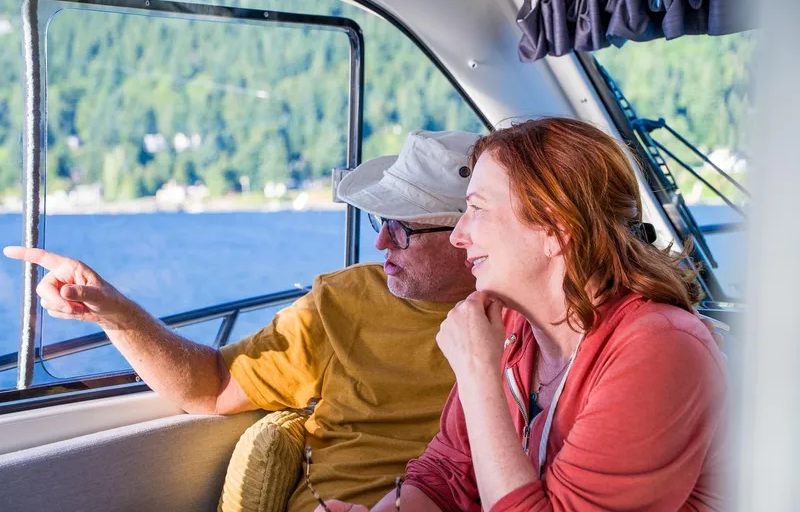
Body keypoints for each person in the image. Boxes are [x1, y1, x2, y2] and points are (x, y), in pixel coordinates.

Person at [3, 129, 481, 511]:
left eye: (403, 227)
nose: (381, 245)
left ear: (470, 232)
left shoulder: (537, 328)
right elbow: (211, 387)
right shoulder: (346, 300)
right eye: (381, 222)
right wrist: (113, 311)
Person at [327, 118, 727, 512]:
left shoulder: (659, 349)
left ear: (555, 228)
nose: (457, 234)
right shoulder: (518, 327)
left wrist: (477, 375)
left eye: (477, 209)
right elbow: (447, 476)